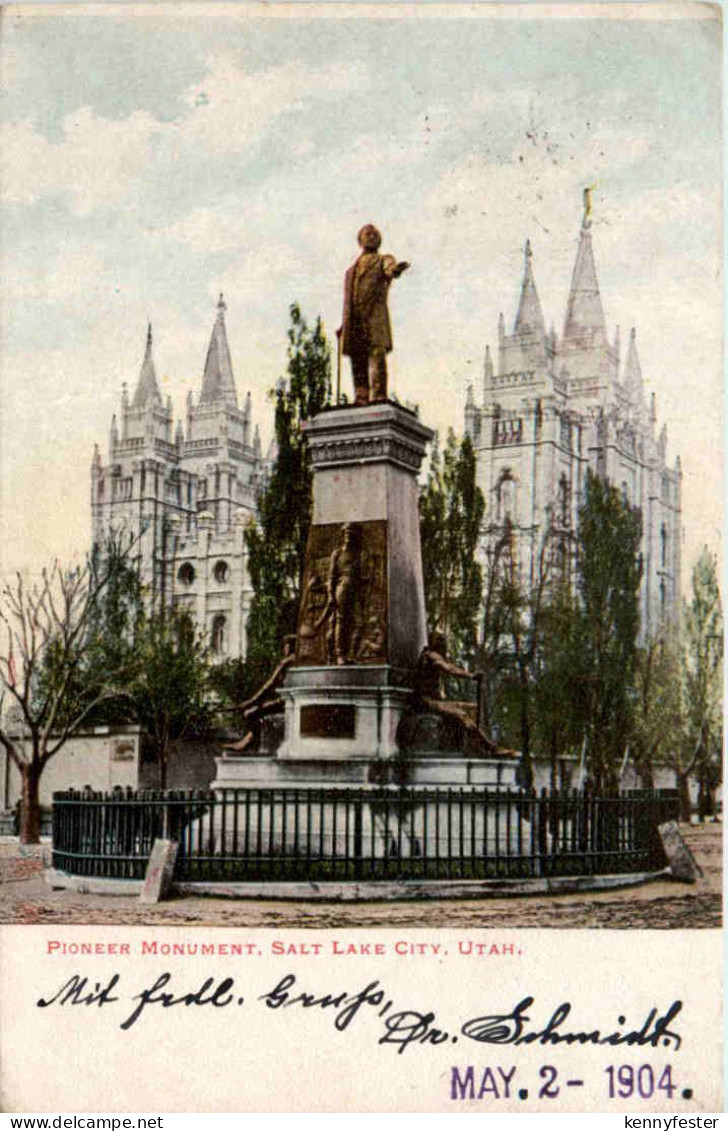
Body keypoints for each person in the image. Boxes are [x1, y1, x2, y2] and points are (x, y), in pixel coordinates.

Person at [340, 224, 409, 406]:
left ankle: (378, 394)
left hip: (374, 316)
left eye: (374, 234)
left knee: (377, 355)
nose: (371, 237)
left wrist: (395, 270)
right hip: (355, 319)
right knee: (358, 357)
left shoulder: (383, 260)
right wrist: (344, 325)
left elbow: (390, 269)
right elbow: (348, 300)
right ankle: (361, 394)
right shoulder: (351, 270)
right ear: (360, 240)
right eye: (367, 234)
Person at [414, 632, 499, 757]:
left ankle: (475, 746)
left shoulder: (434, 656)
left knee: (471, 707)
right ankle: (488, 747)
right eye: (442, 642)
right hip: (426, 701)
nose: (444, 645)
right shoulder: (431, 656)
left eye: (444, 642)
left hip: (435, 700)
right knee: (461, 714)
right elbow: (450, 669)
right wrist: (471, 675)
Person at [222, 636, 296, 753]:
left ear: (290, 647)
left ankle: (250, 744)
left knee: (251, 713)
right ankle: (249, 741)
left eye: (286, 645)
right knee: (253, 711)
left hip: (286, 701)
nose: (285, 648)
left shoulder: (286, 662)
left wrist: (250, 702)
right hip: (290, 700)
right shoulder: (298, 660)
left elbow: (269, 685)